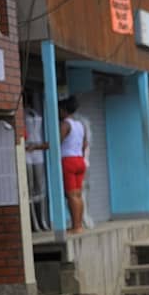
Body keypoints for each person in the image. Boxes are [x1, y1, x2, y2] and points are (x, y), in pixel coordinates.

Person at [59, 97, 87, 233]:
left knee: (71, 195)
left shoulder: (65, 124)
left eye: (59, 110)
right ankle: (79, 225)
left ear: (64, 110)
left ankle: (76, 226)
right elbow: (85, 144)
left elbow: (57, 141)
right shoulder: (80, 125)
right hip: (79, 160)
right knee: (78, 195)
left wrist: (38, 146)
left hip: (68, 160)